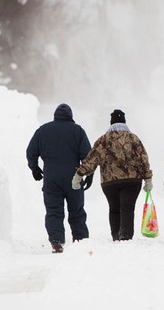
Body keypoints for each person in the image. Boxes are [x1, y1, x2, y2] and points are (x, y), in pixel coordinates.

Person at [72, 109, 153, 241]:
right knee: (127, 208)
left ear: (111, 123)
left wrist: (79, 175)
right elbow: (143, 159)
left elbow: (92, 159)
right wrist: (148, 179)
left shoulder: (103, 140)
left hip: (110, 182)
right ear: (125, 122)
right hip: (132, 181)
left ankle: (116, 236)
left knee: (114, 209)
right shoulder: (133, 138)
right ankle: (126, 237)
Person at [26, 103, 93, 253]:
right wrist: (89, 174)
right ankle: (80, 240)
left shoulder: (43, 131)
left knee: (54, 210)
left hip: (51, 177)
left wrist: (35, 168)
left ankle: (56, 242)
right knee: (76, 210)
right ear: (70, 117)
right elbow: (88, 156)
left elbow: (31, 151)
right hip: (73, 177)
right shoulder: (78, 131)